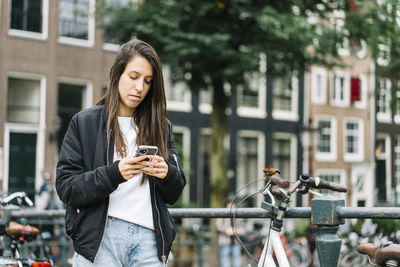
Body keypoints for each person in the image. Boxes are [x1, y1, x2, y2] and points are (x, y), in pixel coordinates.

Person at [56, 39, 186, 267]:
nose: (140, 87)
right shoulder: (85, 123)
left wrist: (166, 173)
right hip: (101, 241)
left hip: (149, 243)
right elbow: (67, 188)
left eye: (147, 81)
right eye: (133, 77)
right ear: (117, 75)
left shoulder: (161, 127)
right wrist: (114, 174)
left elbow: (175, 193)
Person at [216, 201, 243, 267]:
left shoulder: (237, 215)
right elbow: (218, 226)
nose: (231, 208)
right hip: (225, 241)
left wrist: (233, 231)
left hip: (236, 241)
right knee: (224, 259)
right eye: (230, 206)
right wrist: (227, 230)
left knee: (236, 259)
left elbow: (242, 228)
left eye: (233, 206)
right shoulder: (222, 214)